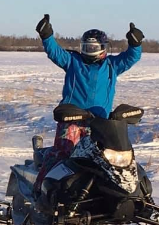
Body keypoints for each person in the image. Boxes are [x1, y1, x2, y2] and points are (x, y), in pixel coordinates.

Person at [33, 14, 144, 194]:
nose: (90, 50)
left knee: (104, 159)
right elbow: (55, 52)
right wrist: (47, 35)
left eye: (93, 47)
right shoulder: (72, 61)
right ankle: (40, 190)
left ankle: (97, 194)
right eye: (87, 47)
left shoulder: (111, 65)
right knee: (62, 154)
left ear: (103, 48)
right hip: (71, 119)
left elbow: (131, 57)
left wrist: (136, 43)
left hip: (100, 122)